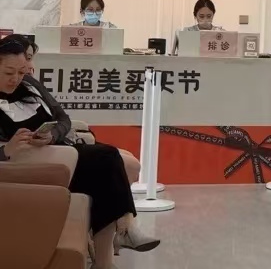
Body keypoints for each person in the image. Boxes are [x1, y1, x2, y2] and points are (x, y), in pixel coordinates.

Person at [0, 38, 159, 269]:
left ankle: (108, 256)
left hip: (58, 150)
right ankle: (123, 232)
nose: (16, 78)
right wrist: (6, 150)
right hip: (35, 166)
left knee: (107, 164)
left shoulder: (30, 85)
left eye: (22, 71)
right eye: (9, 72)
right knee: (107, 159)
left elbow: (63, 118)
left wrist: (52, 134)